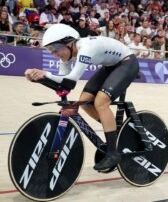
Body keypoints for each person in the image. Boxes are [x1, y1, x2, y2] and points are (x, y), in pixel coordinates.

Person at [24, 23, 139, 171]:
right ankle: (115, 130)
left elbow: (70, 81)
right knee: (84, 102)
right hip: (110, 66)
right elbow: (63, 83)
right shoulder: (67, 54)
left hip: (127, 63)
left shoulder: (86, 48)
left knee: (100, 102)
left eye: (56, 49)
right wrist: (39, 79)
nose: (55, 54)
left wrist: (45, 74)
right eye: (51, 51)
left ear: (70, 43)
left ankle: (112, 153)